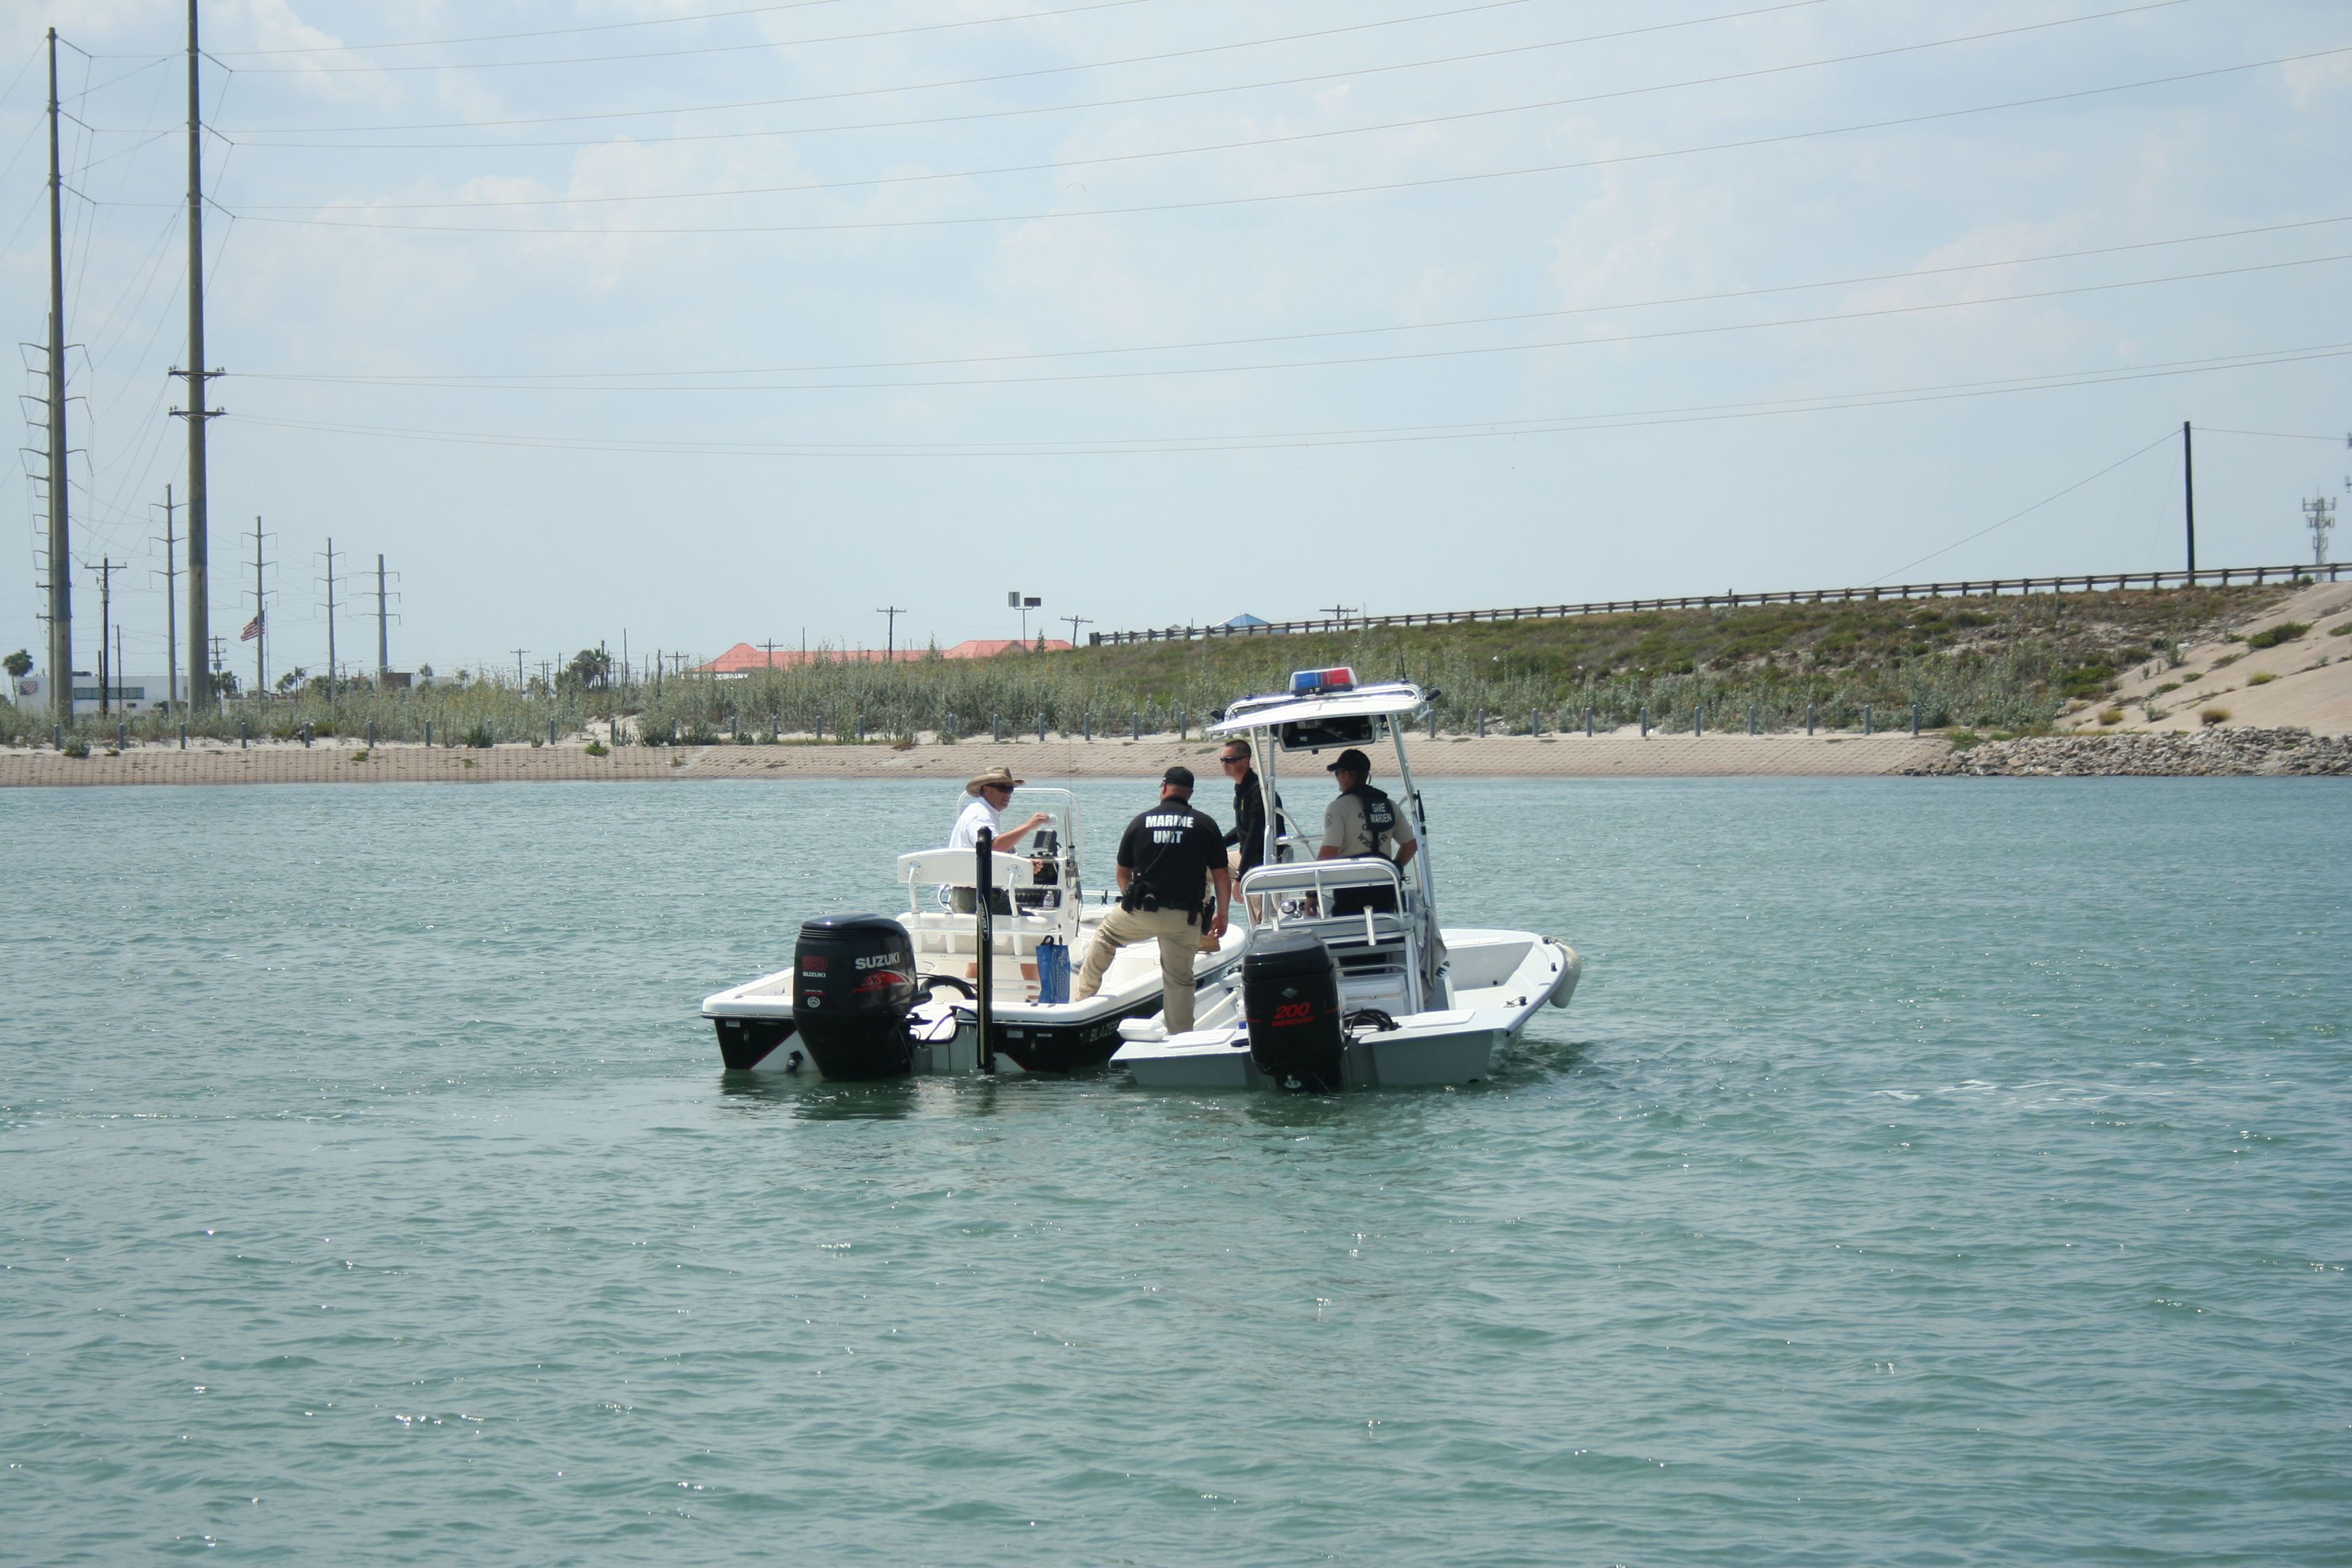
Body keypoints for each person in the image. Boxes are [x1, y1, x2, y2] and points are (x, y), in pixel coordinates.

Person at [1073, 766, 1232, 1033]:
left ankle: (1083, 999)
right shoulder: (1205, 824)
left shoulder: (1140, 822)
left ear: (1164, 787)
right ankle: (1181, 1038)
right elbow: (1222, 877)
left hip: (1140, 913)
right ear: (1190, 793)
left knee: (1106, 936)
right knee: (1179, 980)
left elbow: (1122, 873)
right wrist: (1223, 914)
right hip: (1185, 918)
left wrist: (1131, 898)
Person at [1317, 747, 1417, 914]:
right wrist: (1395, 867)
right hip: (1385, 888)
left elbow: (1328, 854)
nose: (1337, 778)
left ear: (1347, 775)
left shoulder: (1338, 807)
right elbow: (1411, 845)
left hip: (1351, 889)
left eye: (1337, 774)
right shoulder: (1390, 805)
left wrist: (1312, 893)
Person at [947, 766, 1050, 913]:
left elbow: (989, 853)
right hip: (977, 896)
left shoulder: (981, 811)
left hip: (968, 895)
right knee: (1039, 925)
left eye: (1010, 790)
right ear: (987, 789)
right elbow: (994, 846)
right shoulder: (980, 814)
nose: (1007, 794)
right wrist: (1029, 825)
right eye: (1002, 788)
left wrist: (1021, 863)